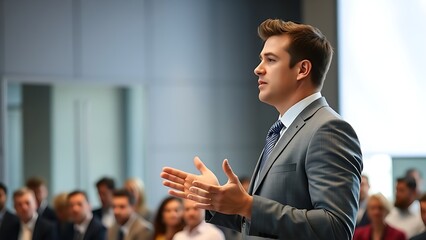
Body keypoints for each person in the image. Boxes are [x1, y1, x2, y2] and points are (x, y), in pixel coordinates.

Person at [161, 18, 363, 239]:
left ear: (302, 69)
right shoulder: (281, 130)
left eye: (271, 60)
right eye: (261, 60)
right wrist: (216, 200)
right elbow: (260, 222)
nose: (258, 69)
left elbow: (336, 229)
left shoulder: (329, 129)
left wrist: (248, 205)